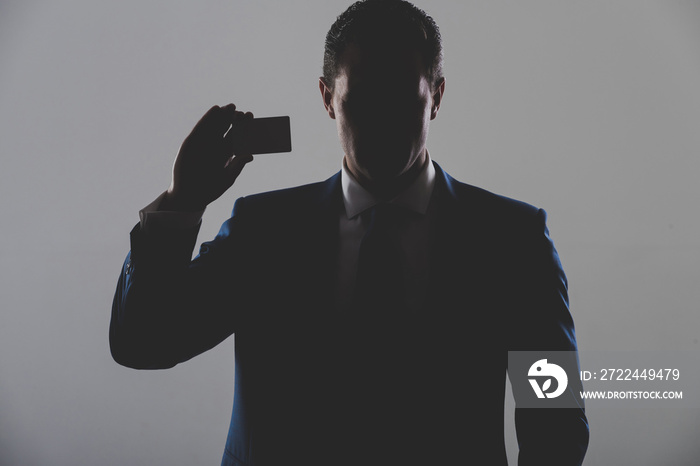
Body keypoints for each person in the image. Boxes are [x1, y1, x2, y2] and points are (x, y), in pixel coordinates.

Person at [110, 1, 589, 464]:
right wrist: (182, 201)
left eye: (402, 97)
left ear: (437, 97)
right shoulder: (264, 233)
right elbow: (144, 342)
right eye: (361, 98)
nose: (381, 122)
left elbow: (556, 419)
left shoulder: (513, 241)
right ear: (327, 98)